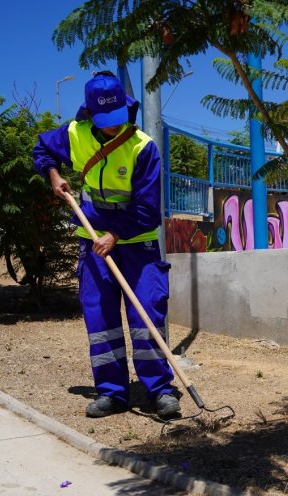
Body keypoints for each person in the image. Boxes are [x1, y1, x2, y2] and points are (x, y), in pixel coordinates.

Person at [32, 71, 180, 418]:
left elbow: (147, 209)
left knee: (147, 315)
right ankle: (112, 393)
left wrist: (115, 234)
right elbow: (42, 149)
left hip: (136, 245)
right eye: (107, 121)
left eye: (120, 117)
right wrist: (53, 176)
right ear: (91, 114)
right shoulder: (74, 134)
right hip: (93, 242)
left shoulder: (143, 147)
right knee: (101, 320)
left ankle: (159, 390)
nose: (116, 126)